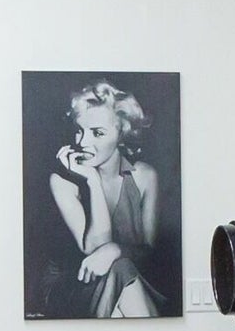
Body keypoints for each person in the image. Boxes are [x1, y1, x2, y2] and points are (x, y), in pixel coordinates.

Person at [48, 81, 167, 317]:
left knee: (122, 269)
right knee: (122, 271)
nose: (82, 142)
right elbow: (92, 249)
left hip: (132, 281)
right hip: (75, 289)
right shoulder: (61, 182)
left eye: (97, 133)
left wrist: (115, 250)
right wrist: (92, 181)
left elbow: (149, 253)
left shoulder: (145, 177)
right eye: (79, 130)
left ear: (122, 132)